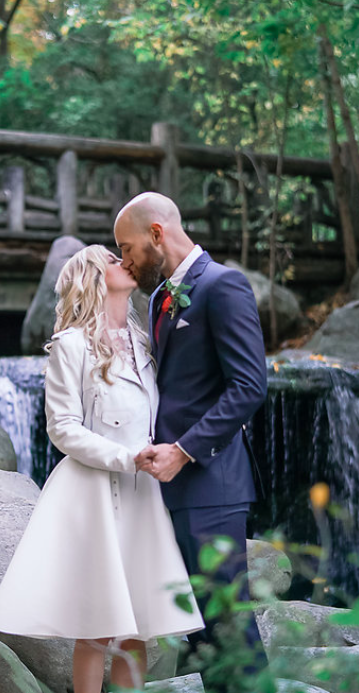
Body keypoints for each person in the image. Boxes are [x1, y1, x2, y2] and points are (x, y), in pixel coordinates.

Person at [0, 244, 204, 693]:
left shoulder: (148, 340)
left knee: (137, 628)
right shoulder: (70, 345)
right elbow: (62, 428)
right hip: (95, 496)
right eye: (108, 258)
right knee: (98, 628)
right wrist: (128, 457)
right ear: (92, 278)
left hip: (145, 495)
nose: (121, 260)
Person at [113, 192, 269, 676]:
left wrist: (183, 450)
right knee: (201, 632)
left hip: (214, 485)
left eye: (128, 247)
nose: (125, 260)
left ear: (156, 234)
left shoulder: (224, 286)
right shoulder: (160, 296)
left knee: (228, 625)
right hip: (170, 489)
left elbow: (249, 386)